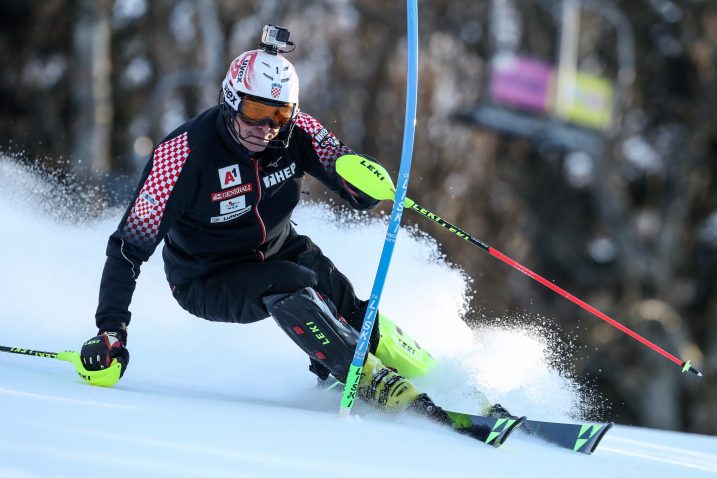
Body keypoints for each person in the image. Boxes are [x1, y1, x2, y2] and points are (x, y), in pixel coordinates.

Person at [78, 25, 442, 415]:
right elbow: (127, 250)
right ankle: (373, 380)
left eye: (278, 114)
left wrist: (365, 184)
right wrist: (111, 331)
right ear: (230, 100)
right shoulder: (180, 157)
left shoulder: (297, 132)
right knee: (294, 283)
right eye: (254, 112)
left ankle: (429, 374)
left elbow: (349, 182)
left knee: (343, 298)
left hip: (279, 249)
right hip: (206, 278)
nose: (265, 128)